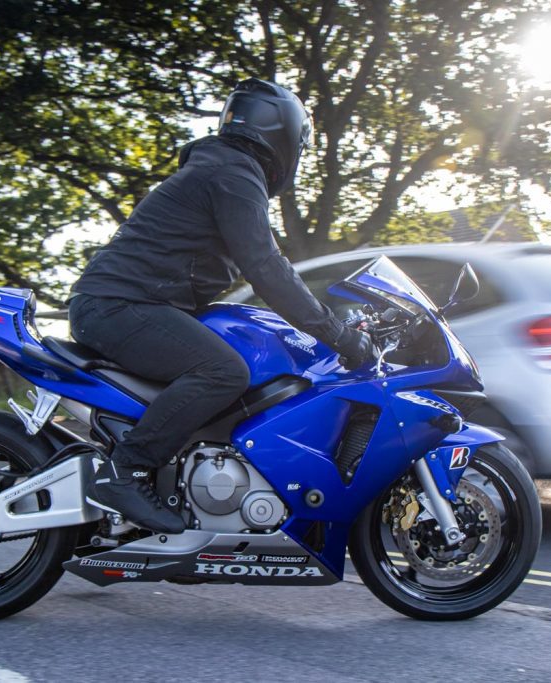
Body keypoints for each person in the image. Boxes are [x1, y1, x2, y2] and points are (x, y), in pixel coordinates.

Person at [68, 78, 375, 533]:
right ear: (284, 136)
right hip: (117, 306)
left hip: (126, 304)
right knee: (224, 371)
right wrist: (338, 334)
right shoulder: (234, 173)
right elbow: (267, 267)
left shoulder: (222, 167)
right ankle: (125, 472)